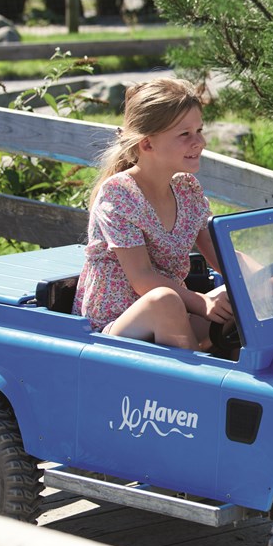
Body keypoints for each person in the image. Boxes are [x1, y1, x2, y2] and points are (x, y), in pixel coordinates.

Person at [72, 77, 233, 350]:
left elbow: (220, 253)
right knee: (164, 300)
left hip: (175, 313)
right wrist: (202, 302)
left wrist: (262, 280)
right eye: (185, 134)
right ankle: (195, 386)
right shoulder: (119, 194)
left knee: (242, 302)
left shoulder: (186, 189)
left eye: (199, 130)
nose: (200, 141)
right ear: (147, 145)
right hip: (113, 328)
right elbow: (143, 279)